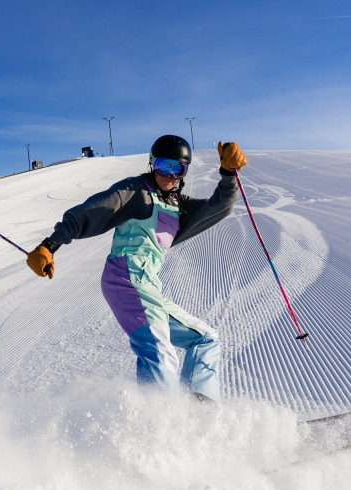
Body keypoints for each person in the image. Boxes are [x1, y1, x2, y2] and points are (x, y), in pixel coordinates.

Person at [26, 136, 247, 401]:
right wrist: (50, 244)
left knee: (205, 339)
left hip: (148, 283)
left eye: (177, 169)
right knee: (159, 350)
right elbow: (90, 211)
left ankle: (199, 412)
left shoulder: (179, 205)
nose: (169, 174)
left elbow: (219, 206)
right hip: (126, 275)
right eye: (164, 166)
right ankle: (156, 424)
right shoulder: (135, 191)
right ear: (152, 164)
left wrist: (228, 174)